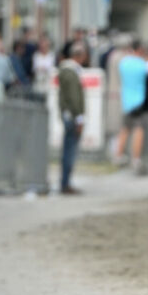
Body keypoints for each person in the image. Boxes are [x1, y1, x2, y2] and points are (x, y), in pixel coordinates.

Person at [114, 39, 147, 171]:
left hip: (126, 101)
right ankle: (136, 158)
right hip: (139, 101)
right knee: (139, 129)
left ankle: (119, 155)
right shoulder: (142, 64)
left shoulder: (124, 63)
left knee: (125, 129)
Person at [58, 42, 87, 194]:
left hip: (68, 115)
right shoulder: (71, 73)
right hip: (72, 117)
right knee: (70, 151)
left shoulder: (67, 71)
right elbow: (74, 98)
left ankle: (65, 182)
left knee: (68, 150)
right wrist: (79, 118)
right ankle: (65, 183)